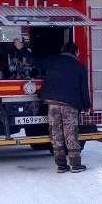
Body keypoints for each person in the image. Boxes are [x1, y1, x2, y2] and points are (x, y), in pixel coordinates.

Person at [40, 41, 91, 173]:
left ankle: (61, 166)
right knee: (70, 134)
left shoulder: (53, 61)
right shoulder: (79, 66)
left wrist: (21, 49)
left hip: (53, 104)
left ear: (62, 50)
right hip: (69, 105)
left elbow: (35, 61)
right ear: (76, 52)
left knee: (56, 134)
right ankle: (75, 165)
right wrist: (86, 105)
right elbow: (83, 89)